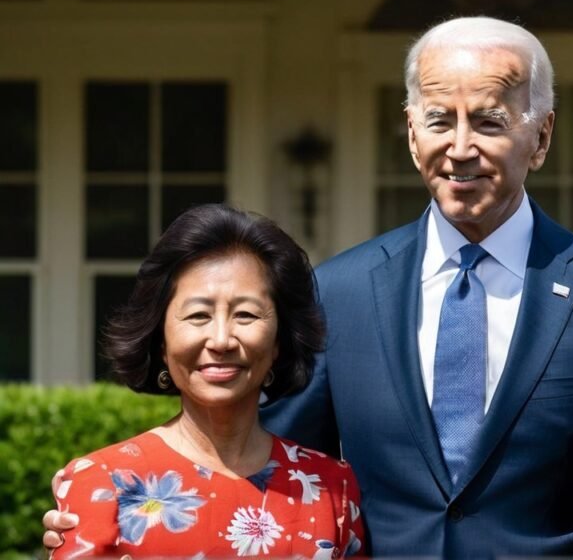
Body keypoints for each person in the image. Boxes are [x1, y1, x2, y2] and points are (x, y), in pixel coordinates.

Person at [44, 17, 573, 557]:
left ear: (540, 137)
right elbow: (272, 473)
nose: (460, 147)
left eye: (489, 121)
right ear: (412, 133)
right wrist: (112, 511)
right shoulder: (339, 292)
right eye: (439, 120)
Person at [49, 204, 364, 558]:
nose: (220, 340)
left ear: (279, 341)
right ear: (161, 341)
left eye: (245, 314)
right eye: (198, 315)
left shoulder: (330, 487)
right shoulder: (103, 483)